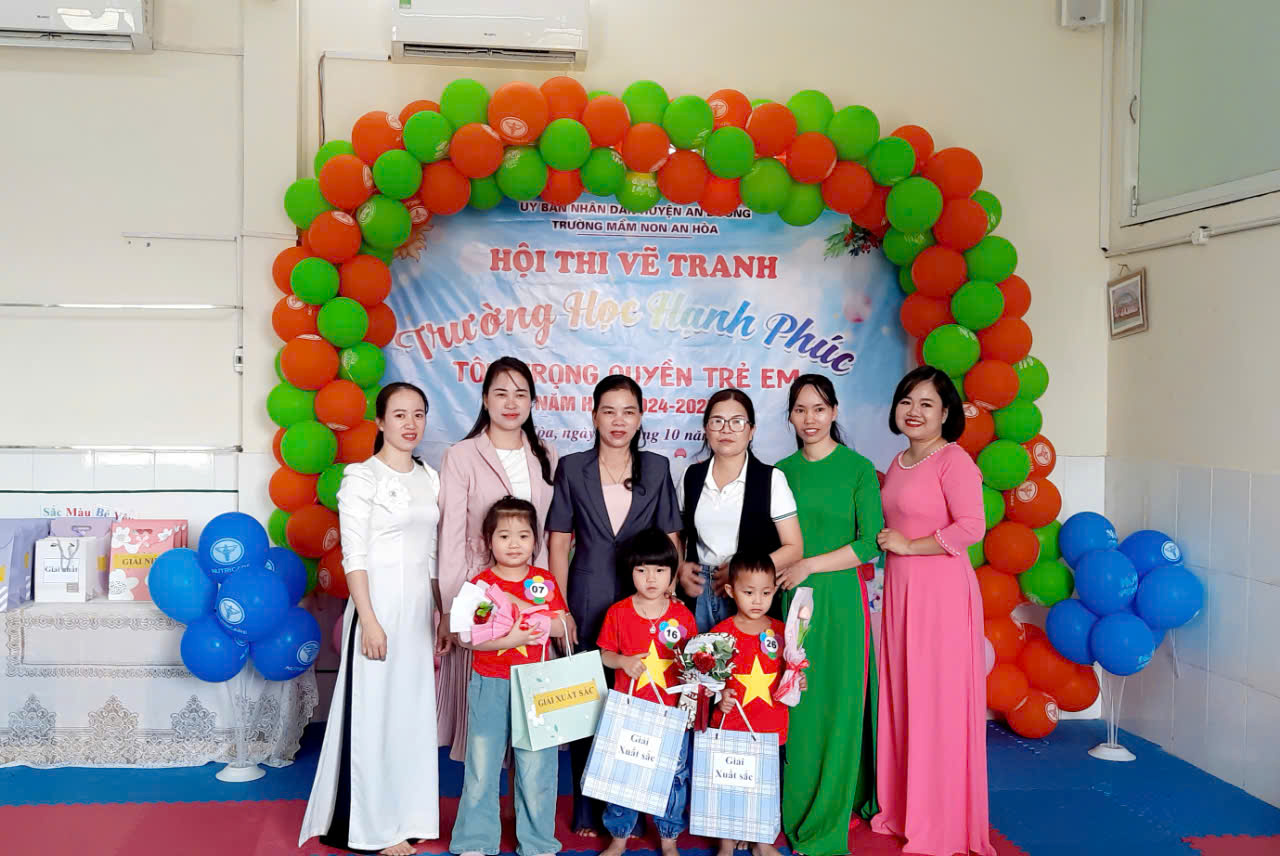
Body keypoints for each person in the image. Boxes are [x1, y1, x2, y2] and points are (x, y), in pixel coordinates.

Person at [299, 382, 449, 856]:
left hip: (418, 614)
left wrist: (441, 613)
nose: (410, 423)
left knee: (411, 716)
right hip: (377, 608)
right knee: (375, 715)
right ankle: (373, 827)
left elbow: (431, 554)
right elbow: (354, 556)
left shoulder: (430, 478)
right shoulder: (361, 478)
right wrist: (368, 619)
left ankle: (411, 815)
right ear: (380, 422)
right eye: (400, 414)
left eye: (418, 414)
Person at [545, 373, 683, 837]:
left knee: (642, 702)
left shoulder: (657, 467)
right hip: (586, 598)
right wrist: (559, 606)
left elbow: (671, 536)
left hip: (645, 598)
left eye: (628, 411)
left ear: (641, 417)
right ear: (594, 416)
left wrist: (669, 592)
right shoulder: (572, 467)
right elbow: (559, 540)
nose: (618, 421)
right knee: (589, 703)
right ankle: (587, 810)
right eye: (609, 411)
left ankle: (637, 809)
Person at [871, 366, 995, 856]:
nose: (914, 411)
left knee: (937, 702)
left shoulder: (954, 460)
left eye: (926, 403)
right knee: (906, 697)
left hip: (940, 595)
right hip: (903, 593)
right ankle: (907, 810)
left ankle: (942, 821)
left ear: (946, 413)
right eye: (907, 401)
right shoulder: (900, 460)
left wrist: (909, 544)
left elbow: (971, 527)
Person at [773, 373, 882, 856]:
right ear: (790, 417)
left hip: (839, 603)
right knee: (798, 709)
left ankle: (832, 814)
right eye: (800, 410)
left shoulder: (858, 469)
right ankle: (797, 807)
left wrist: (810, 565)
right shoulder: (780, 472)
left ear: (834, 412)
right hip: (790, 602)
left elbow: (870, 544)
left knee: (838, 706)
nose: (810, 419)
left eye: (819, 408)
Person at [437, 356, 558, 761]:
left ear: (532, 402)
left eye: (520, 394)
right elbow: (451, 536)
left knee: (531, 715)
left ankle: (526, 794)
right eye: (501, 393)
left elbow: (547, 533)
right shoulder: (461, 455)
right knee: (486, 718)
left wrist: (552, 603)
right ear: (485, 399)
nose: (511, 403)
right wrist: (450, 610)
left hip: (533, 594)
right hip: (481, 597)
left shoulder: (546, 453)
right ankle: (484, 792)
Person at [450, 497, 567, 856]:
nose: (514, 544)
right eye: (504, 536)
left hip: (538, 688)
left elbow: (563, 627)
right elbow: (469, 638)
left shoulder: (545, 582)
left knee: (538, 766)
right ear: (489, 541)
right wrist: (512, 638)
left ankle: (538, 842)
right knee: (482, 764)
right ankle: (475, 840)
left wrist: (533, 613)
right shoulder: (481, 586)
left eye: (523, 535)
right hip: (490, 682)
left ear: (536, 540)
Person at [596, 528, 696, 856]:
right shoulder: (618, 612)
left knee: (674, 776)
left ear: (672, 573)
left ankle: (669, 839)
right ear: (630, 572)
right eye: (641, 570)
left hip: (671, 712)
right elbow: (604, 654)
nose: (650, 578)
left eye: (659, 570)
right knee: (622, 774)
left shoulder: (682, 614)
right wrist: (622, 662)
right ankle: (619, 838)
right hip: (629, 711)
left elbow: (695, 662)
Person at [676, 388, 803, 632]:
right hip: (699, 593)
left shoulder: (771, 479)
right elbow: (677, 533)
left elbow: (794, 548)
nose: (726, 429)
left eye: (737, 422)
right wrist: (680, 566)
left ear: (751, 430)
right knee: (695, 655)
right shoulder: (691, 476)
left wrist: (742, 572)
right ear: (706, 428)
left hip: (749, 595)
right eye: (717, 421)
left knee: (747, 657)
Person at [712, 552, 793, 856]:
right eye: (748, 592)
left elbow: (790, 672)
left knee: (766, 788)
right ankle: (725, 843)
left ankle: (762, 842)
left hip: (770, 727)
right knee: (728, 787)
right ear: (731, 591)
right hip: (732, 727)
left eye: (766, 592)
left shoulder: (782, 632)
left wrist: (797, 681)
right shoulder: (720, 634)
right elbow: (710, 681)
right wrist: (720, 697)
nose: (758, 600)